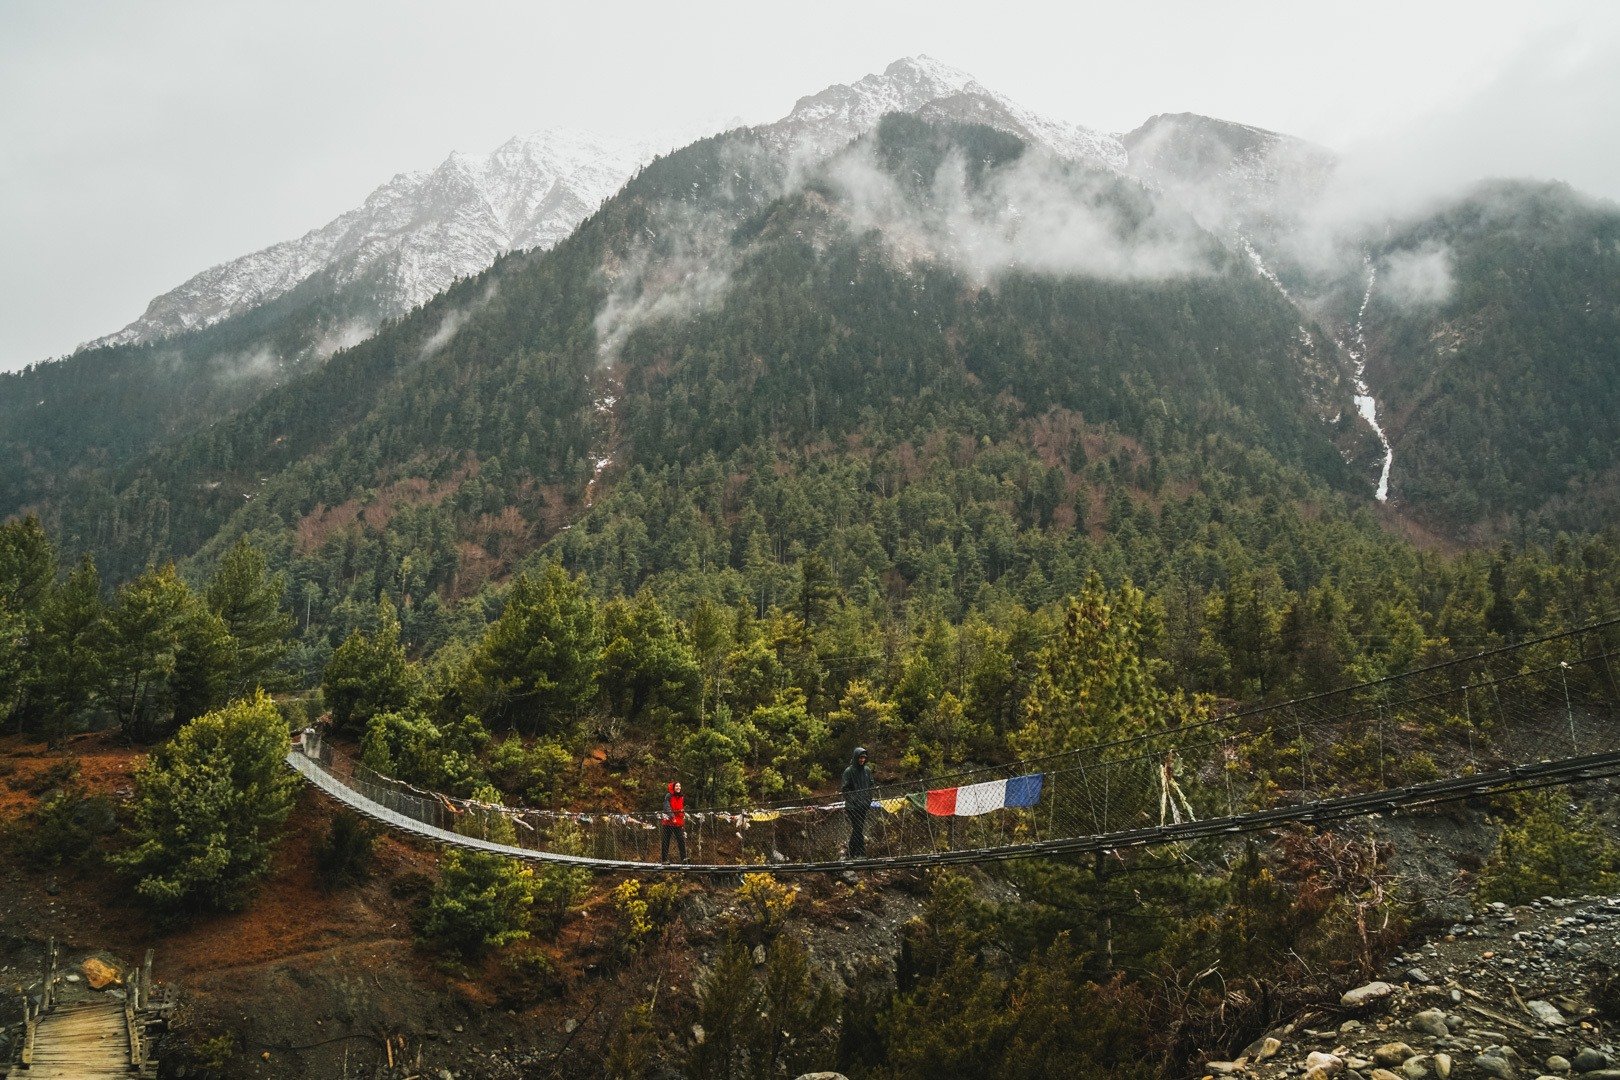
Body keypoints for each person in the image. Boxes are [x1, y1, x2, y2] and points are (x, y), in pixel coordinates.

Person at [840, 747, 875, 858]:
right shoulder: (849, 771)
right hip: (852, 807)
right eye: (860, 758)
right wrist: (854, 800)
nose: (862, 760)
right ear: (856, 757)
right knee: (858, 827)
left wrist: (868, 800)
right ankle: (860, 852)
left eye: (864, 758)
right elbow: (845, 789)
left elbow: (871, 785)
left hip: (864, 805)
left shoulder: (867, 770)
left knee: (858, 828)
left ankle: (852, 853)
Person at [661, 780, 687, 863]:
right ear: (673, 787)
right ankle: (664, 860)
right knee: (666, 841)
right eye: (676, 786)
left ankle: (684, 859)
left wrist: (682, 814)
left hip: (678, 823)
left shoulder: (681, 797)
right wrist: (672, 817)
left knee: (681, 840)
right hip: (668, 822)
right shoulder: (669, 796)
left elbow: (680, 807)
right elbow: (666, 807)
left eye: (679, 786)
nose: (678, 787)